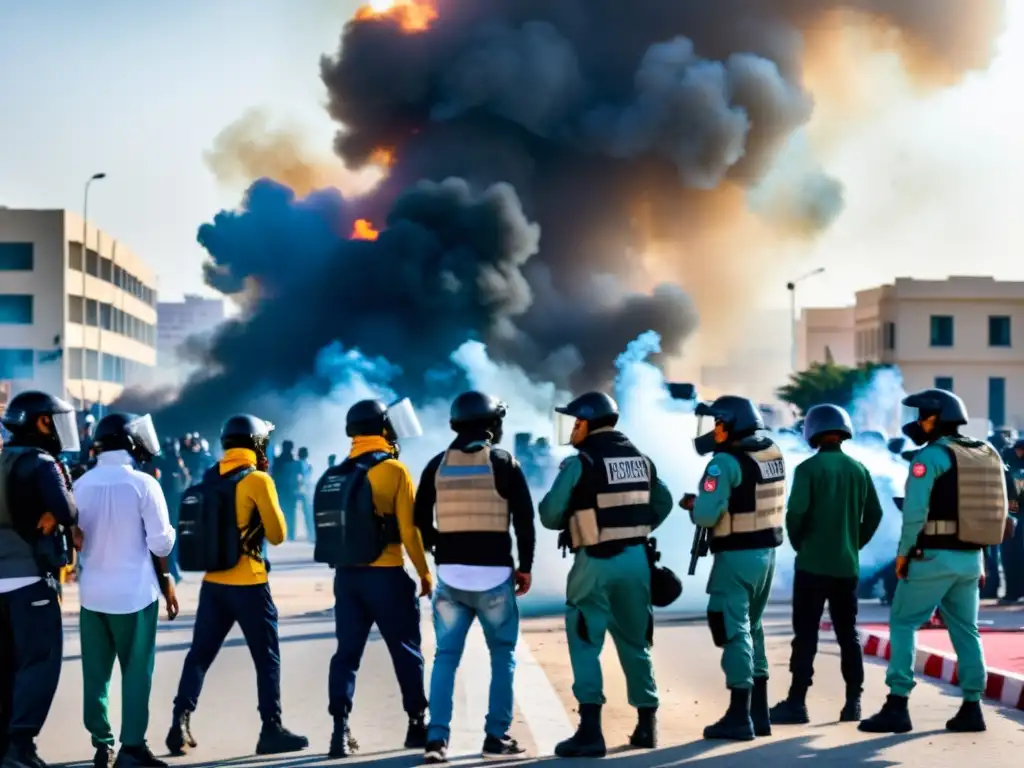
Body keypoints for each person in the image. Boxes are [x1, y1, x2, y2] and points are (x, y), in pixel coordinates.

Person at [859, 388, 1008, 734]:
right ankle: (973, 707)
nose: (916, 423)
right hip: (972, 558)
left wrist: (903, 554)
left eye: (921, 415)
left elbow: (914, 513)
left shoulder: (932, 456)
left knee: (903, 622)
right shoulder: (987, 453)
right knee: (966, 630)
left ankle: (897, 704)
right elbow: (993, 509)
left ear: (935, 418)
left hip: (933, 556)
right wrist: (983, 557)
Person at [539, 392, 674, 758]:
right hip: (637, 561)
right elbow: (663, 502)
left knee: (585, 640)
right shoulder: (641, 461)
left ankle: (590, 732)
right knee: (635, 641)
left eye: (576, 422)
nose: (572, 428)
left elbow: (550, 516)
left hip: (595, 563)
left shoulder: (580, 462)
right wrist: (635, 529)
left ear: (587, 422)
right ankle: (647, 726)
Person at [166, 415, 308, 757]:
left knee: (199, 656)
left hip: (213, 583)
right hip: (250, 583)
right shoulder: (257, 479)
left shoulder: (210, 477)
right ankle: (271, 729)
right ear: (257, 444)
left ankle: (179, 723)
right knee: (267, 659)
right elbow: (278, 534)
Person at [414, 392, 536, 763]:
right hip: (495, 578)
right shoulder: (504, 463)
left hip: (450, 577)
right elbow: (525, 521)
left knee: (446, 657)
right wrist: (525, 566)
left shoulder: (437, 465)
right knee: (503, 655)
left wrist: (440, 548)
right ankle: (495, 737)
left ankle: (436, 740)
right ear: (492, 425)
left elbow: (420, 520)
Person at [314, 399, 432, 759]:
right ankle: (416, 724)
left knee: (346, 655)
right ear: (383, 428)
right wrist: (425, 572)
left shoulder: (336, 473)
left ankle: (339, 730)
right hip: (386, 577)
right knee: (406, 651)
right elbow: (410, 531)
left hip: (347, 579)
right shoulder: (394, 470)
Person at [73, 413, 178, 768]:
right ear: (130, 443)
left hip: (92, 595)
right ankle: (132, 746)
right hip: (134, 594)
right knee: (136, 671)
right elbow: (161, 543)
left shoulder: (81, 484)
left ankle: (102, 745)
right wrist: (168, 584)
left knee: (96, 675)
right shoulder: (144, 484)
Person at [768, 404, 883, 725]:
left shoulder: (807, 469)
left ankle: (797, 703)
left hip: (812, 566)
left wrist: (801, 544)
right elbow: (874, 515)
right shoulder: (859, 469)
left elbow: (795, 515)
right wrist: (853, 543)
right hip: (846, 568)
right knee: (849, 635)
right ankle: (853, 704)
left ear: (813, 431)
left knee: (805, 635)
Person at [681, 395, 784, 741]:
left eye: (717, 423)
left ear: (730, 424)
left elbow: (709, 514)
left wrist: (695, 506)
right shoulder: (771, 450)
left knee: (732, 626)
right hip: (767, 553)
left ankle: (739, 715)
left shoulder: (722, 463)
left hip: (737, 555)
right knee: (752, 626)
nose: (713, 430)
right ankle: (760, 713)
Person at [0, 391, 81, 768]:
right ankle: (20, 746)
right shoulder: (42, 462)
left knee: (6, 665)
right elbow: (67, 510)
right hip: (30, 578)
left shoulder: (3, 457)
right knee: (38, 664)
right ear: (41, 422)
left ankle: (5, 748)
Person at [155, 438, 190, 584]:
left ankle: (170, 571)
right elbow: (186, 482)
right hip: (175, 508)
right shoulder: (178, 465)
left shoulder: (161, 463)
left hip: (165, 508)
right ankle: (171, 571)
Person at [271, 441, 300, 542]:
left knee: (282, 512)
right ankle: (290, 534)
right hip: (290, 491)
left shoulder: (278, 460)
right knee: (290, 513)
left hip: (282, 490)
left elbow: (274, 476)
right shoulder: (294, 461)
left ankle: (283, 533)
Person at [296, 447, 314, 542]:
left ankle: (309, 533)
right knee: (306, 513)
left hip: (303, 491)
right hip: (302, 491)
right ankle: (309, 533)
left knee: (306, 513)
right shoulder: (302, 464)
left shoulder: (305, 464)